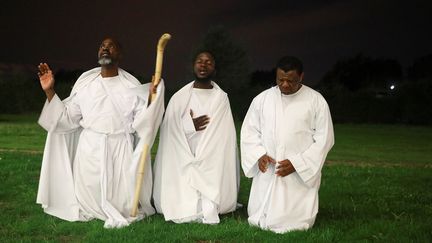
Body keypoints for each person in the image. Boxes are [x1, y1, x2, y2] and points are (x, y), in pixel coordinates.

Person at [36, 37, 165, 228]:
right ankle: (91, 205)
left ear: (119, 54)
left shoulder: (131, 86)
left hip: (120, 149)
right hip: (90, 150)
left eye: (110, 46)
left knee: (122, 202)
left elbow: (143, 122)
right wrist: (50, 91)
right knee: (90, 198)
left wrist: (152, 99)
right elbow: (66, 118)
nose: (105, 48)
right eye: (102, 46)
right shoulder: (86, 84)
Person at [240, 56, 334, 233]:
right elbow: (249, 131)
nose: (284, 85)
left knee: (295, 218)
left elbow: (324, 138)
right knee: (260, 212)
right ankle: (263, 214)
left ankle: (294, 219)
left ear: (301, 77)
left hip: (297, 172)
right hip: (269, 168)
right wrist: (258, 154)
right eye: (280, 80)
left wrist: (298, 163)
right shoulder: (262, 99)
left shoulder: (316, 100)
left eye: (290, 81)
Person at [153, 51, 239, 224]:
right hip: (184, 152)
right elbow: (169, 128)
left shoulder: (221, 98)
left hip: (211, 152)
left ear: (214, 68)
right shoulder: (179, 97)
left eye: (208, 62)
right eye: (200, 61)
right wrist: (189, 125)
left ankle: (208, 202)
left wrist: (205, 150)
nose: (203, 65)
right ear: (193, 65)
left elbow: (224, 133)